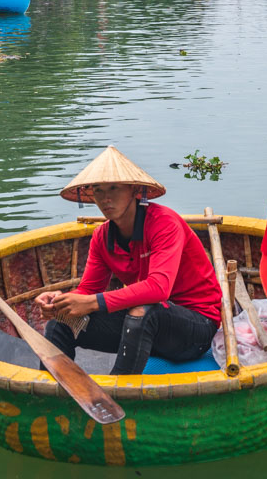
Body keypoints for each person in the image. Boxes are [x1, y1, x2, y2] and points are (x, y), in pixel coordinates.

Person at [37, 146, 222, 374]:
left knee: (145, 311)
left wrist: (93, 302)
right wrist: (60, 301)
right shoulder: (101, 236)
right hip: (147, 328)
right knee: (61, 321)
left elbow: (159, 288)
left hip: (196, 330)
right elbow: (88, 290)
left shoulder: (164, 223)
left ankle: (119, 388)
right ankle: (51, 387)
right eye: (98, 190)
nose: (106, 198)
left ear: (133, 190)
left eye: (114, 188)